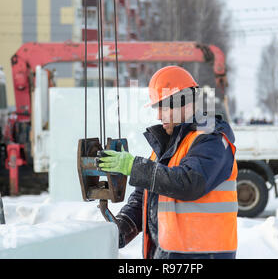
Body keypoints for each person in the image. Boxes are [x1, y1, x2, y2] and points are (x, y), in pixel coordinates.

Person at [96, 65, 238, 259]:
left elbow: (189, 182)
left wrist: (133, 167)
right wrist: (120, 229)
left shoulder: (212, 139)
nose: (158, 115)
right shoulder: (168, 147)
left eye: (162, 107)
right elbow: (144, 198)